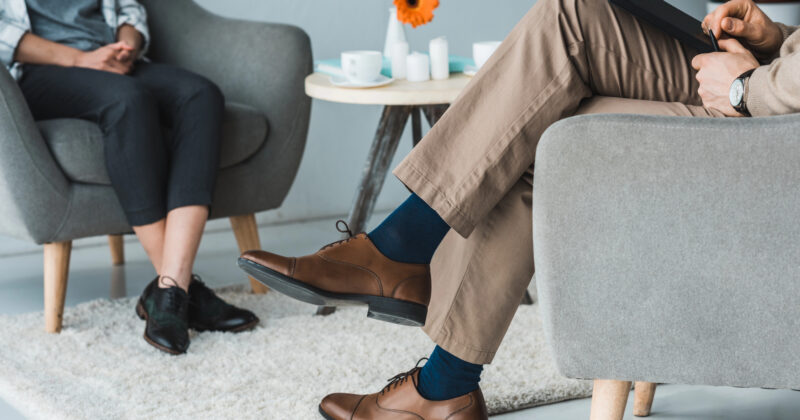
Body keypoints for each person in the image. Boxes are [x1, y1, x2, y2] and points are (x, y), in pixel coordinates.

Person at [240, 0, 800, 417]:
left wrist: (746, 89)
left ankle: (413, 296)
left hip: (776, 113)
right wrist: (776, 40)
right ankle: (434, 359)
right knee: (569, 23)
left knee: (544, 111)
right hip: (780, 79)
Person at [0, 0, 259, 355]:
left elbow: (128, 10)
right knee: (129, 101)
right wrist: (80, 59)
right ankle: (185, 294)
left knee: (201, 95)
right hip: (39, 70)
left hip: (112, 59)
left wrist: (126, 46)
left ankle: (170, 288)